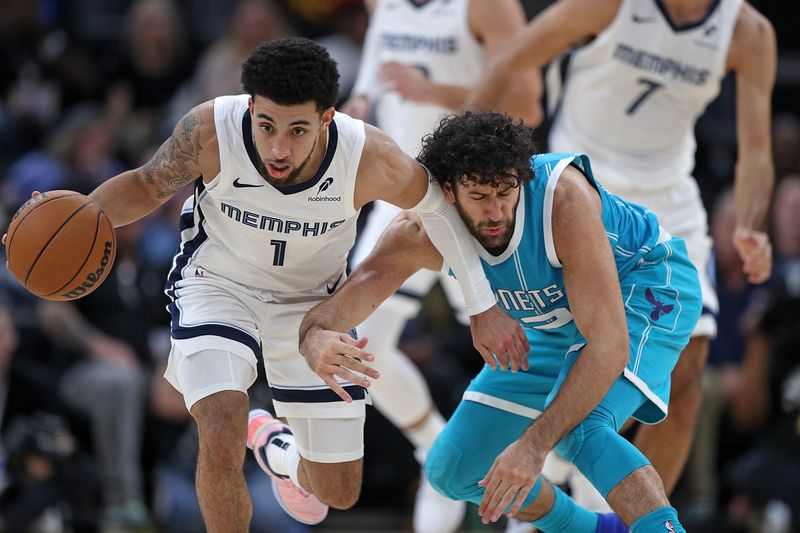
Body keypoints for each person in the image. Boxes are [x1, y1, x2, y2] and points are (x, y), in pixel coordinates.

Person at [3, 38, 526, 530]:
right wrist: (73, 221)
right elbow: (145, 184)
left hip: (314, 308)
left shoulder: (369, 157)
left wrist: (480, 305)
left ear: (327, 118)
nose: (278, 147)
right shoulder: (212, 130)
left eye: (297, 130)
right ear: (250, 107)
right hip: (219, 283)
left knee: (336, 491)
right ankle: (245, 432)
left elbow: (438, 207)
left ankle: (275, 448)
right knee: (220, 425)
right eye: (267, 124)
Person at [299, 111, 703, 531]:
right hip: (554, 322)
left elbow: (608, 345)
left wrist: (531, 448)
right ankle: (595, 529)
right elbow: (341, 305)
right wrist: (316, 339)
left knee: (579, 429)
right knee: (451, 469)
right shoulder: (419, 234)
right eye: (478, 196)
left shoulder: (562, 201)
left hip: (644, 288)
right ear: (449, 193)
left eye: (505, 192)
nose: (495, 211)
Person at [467, 0, 777, 497]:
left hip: (668, 199)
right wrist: (456, 170)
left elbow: (757, 151)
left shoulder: (748, 32)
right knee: (573, 356)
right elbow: (511, 59)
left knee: (687, 377)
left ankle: (624, 520)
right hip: (585, 188)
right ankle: (547, 491)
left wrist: (750, 223)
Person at [340, 0, 541, 530]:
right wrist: (362, 97)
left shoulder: (490, 7)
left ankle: (535, 482)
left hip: (475, 200)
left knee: (518, 355)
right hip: (403, 193)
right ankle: (432, 446)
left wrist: (431, 93)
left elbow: (529, 105)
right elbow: (379, 57)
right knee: (356, 348)